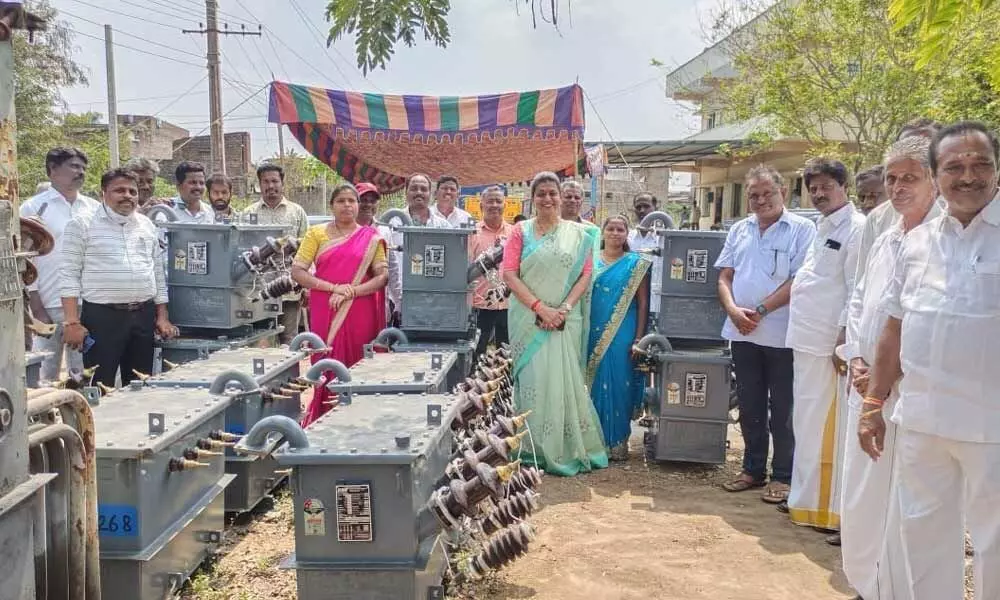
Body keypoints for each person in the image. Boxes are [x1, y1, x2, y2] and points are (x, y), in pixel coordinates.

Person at [860, 121, 1000, 600]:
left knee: (994, 546)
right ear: (937, 175)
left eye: (981, 164)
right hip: (922, 421)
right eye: (955, 166)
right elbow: (894, 329)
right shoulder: (917, 244)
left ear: (997, 171)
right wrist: (873, 402)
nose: (968, 176)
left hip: (991, 428)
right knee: (923, 539)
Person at [840, 135, 938, 600]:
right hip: (866, 386)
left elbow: (924, 320)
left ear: (934, 181)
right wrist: (858, 358)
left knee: (905, 499)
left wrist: (883, 378)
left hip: (907, 392)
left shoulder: (938, 239)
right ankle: (868, 582)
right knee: (861, 493)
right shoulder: (889, 235)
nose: (898, 188)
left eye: (910, 178)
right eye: (892, 178)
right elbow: (861, 299)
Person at [716, 165, 816, 503]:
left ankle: (784, 476)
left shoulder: (803, 229)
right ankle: (752, 470)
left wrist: (759, 312)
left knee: (784, 408)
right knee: (749, 404)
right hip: (742, 333)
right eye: (754, 195)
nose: (761, 200)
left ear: (783, 192)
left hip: (782, 334)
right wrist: (733, 310)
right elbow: (724, 276)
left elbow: (799, 280)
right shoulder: (739, 230)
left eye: (767, 193)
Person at [501, 171, 607, 476]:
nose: (548, 199)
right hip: (528, 319)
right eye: (541, 193)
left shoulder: (580, 235)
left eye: (552, 193)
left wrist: (562, 308)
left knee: (564, 382)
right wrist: (539, 308)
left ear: (560, 197)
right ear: (532, 199)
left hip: (564, 319)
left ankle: (565, 448)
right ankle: (534, 449)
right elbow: (509, 274)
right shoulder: (520, 231)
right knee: (533, 382)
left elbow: (586, 275)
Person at [784, 158, 865, 534]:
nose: (818, 193)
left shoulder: (857, 228)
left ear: (842, 186)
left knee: (828, 429)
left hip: (828, 345)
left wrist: (843, 339)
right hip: (805, 341)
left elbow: (855, 289)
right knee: (806, 423)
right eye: (812, 188)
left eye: (825, 187)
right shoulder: (821, 226)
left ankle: (827, 509)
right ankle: (803, 500)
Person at [58, 168, 179, 387]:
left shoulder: (146, 225)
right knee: (99, 384)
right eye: (119, 190)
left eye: (132, 191)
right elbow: (69, 275)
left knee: (141, 383)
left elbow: (157, 273)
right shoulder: (82, 224)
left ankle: (137, 422)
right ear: (103, 192)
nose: (128, 196)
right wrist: (72, 322)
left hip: (143, 316)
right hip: (102, 318)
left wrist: (162, 317)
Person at [291, 183, 388, 426]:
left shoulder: (372, 238)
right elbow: (297, 271)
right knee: (326, 358)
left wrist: (352, 291)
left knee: (358, 361)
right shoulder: (316, 234)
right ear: (331, 206)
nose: (347, 205)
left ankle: (359, 420)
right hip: (326, 306)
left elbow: (382, 277)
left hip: (360, 309)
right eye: (341, 201)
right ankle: (324, 418)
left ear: (358, 206)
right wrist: (334, 288)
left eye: (351, 201)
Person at [19, 147, 98, 382]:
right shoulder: (33, 208)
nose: (80, 172)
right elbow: (25, 258)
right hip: (47, 301)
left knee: (83, 373)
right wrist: (36, 304)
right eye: (74, 166)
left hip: (87, 301)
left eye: (83, 168)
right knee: (45, 373)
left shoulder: (93, 208)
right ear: (52, 170)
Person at [585, 215, 650, 461]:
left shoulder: (636, 263)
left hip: (624, 328)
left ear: (626, 234)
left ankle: (618, 443)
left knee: (620, 381)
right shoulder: (590, 260)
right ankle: (596, 442)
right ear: (603, 233)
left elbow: (643, 302)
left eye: (620, 229)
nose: (615, 233)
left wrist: (638, 339)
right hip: (594, 327)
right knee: (595, 382)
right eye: (610, 229)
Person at [244, 164, 309, 344]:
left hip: (290, 290)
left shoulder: (297, 212)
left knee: (290, 340)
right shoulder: (248, 213)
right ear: (259, 183)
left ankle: (291, 373)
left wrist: (307, 285)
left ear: (282, 183)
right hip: (259, 292)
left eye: (274, 181)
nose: (270, 186)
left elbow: (307, 251)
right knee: (261, 341)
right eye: (266, 181)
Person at [468, 186, 513, 362]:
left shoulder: (515, 233)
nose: (494, 205)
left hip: (509, 305)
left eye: (498, 201)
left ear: (504, 204)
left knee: (507, 355)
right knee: (476, 354)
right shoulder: (471, 233)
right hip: (479, 305)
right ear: (481, 206)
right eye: (490, 201)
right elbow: (466, 268)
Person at [355, 182, 401, 325]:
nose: (368, 205)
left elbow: (392, 270)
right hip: (350, 300)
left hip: (378, 305)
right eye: (363, 200)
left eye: (372, 201)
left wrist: (400, 303)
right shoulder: (344, 230)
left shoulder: (384, 232)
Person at [626, 192, 664, 323]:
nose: (642, 210)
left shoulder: (663, 238)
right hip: (631, 295)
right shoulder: (628, 237)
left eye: (646, 206)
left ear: (655, 208)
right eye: (638, 207)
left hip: (657, 296)